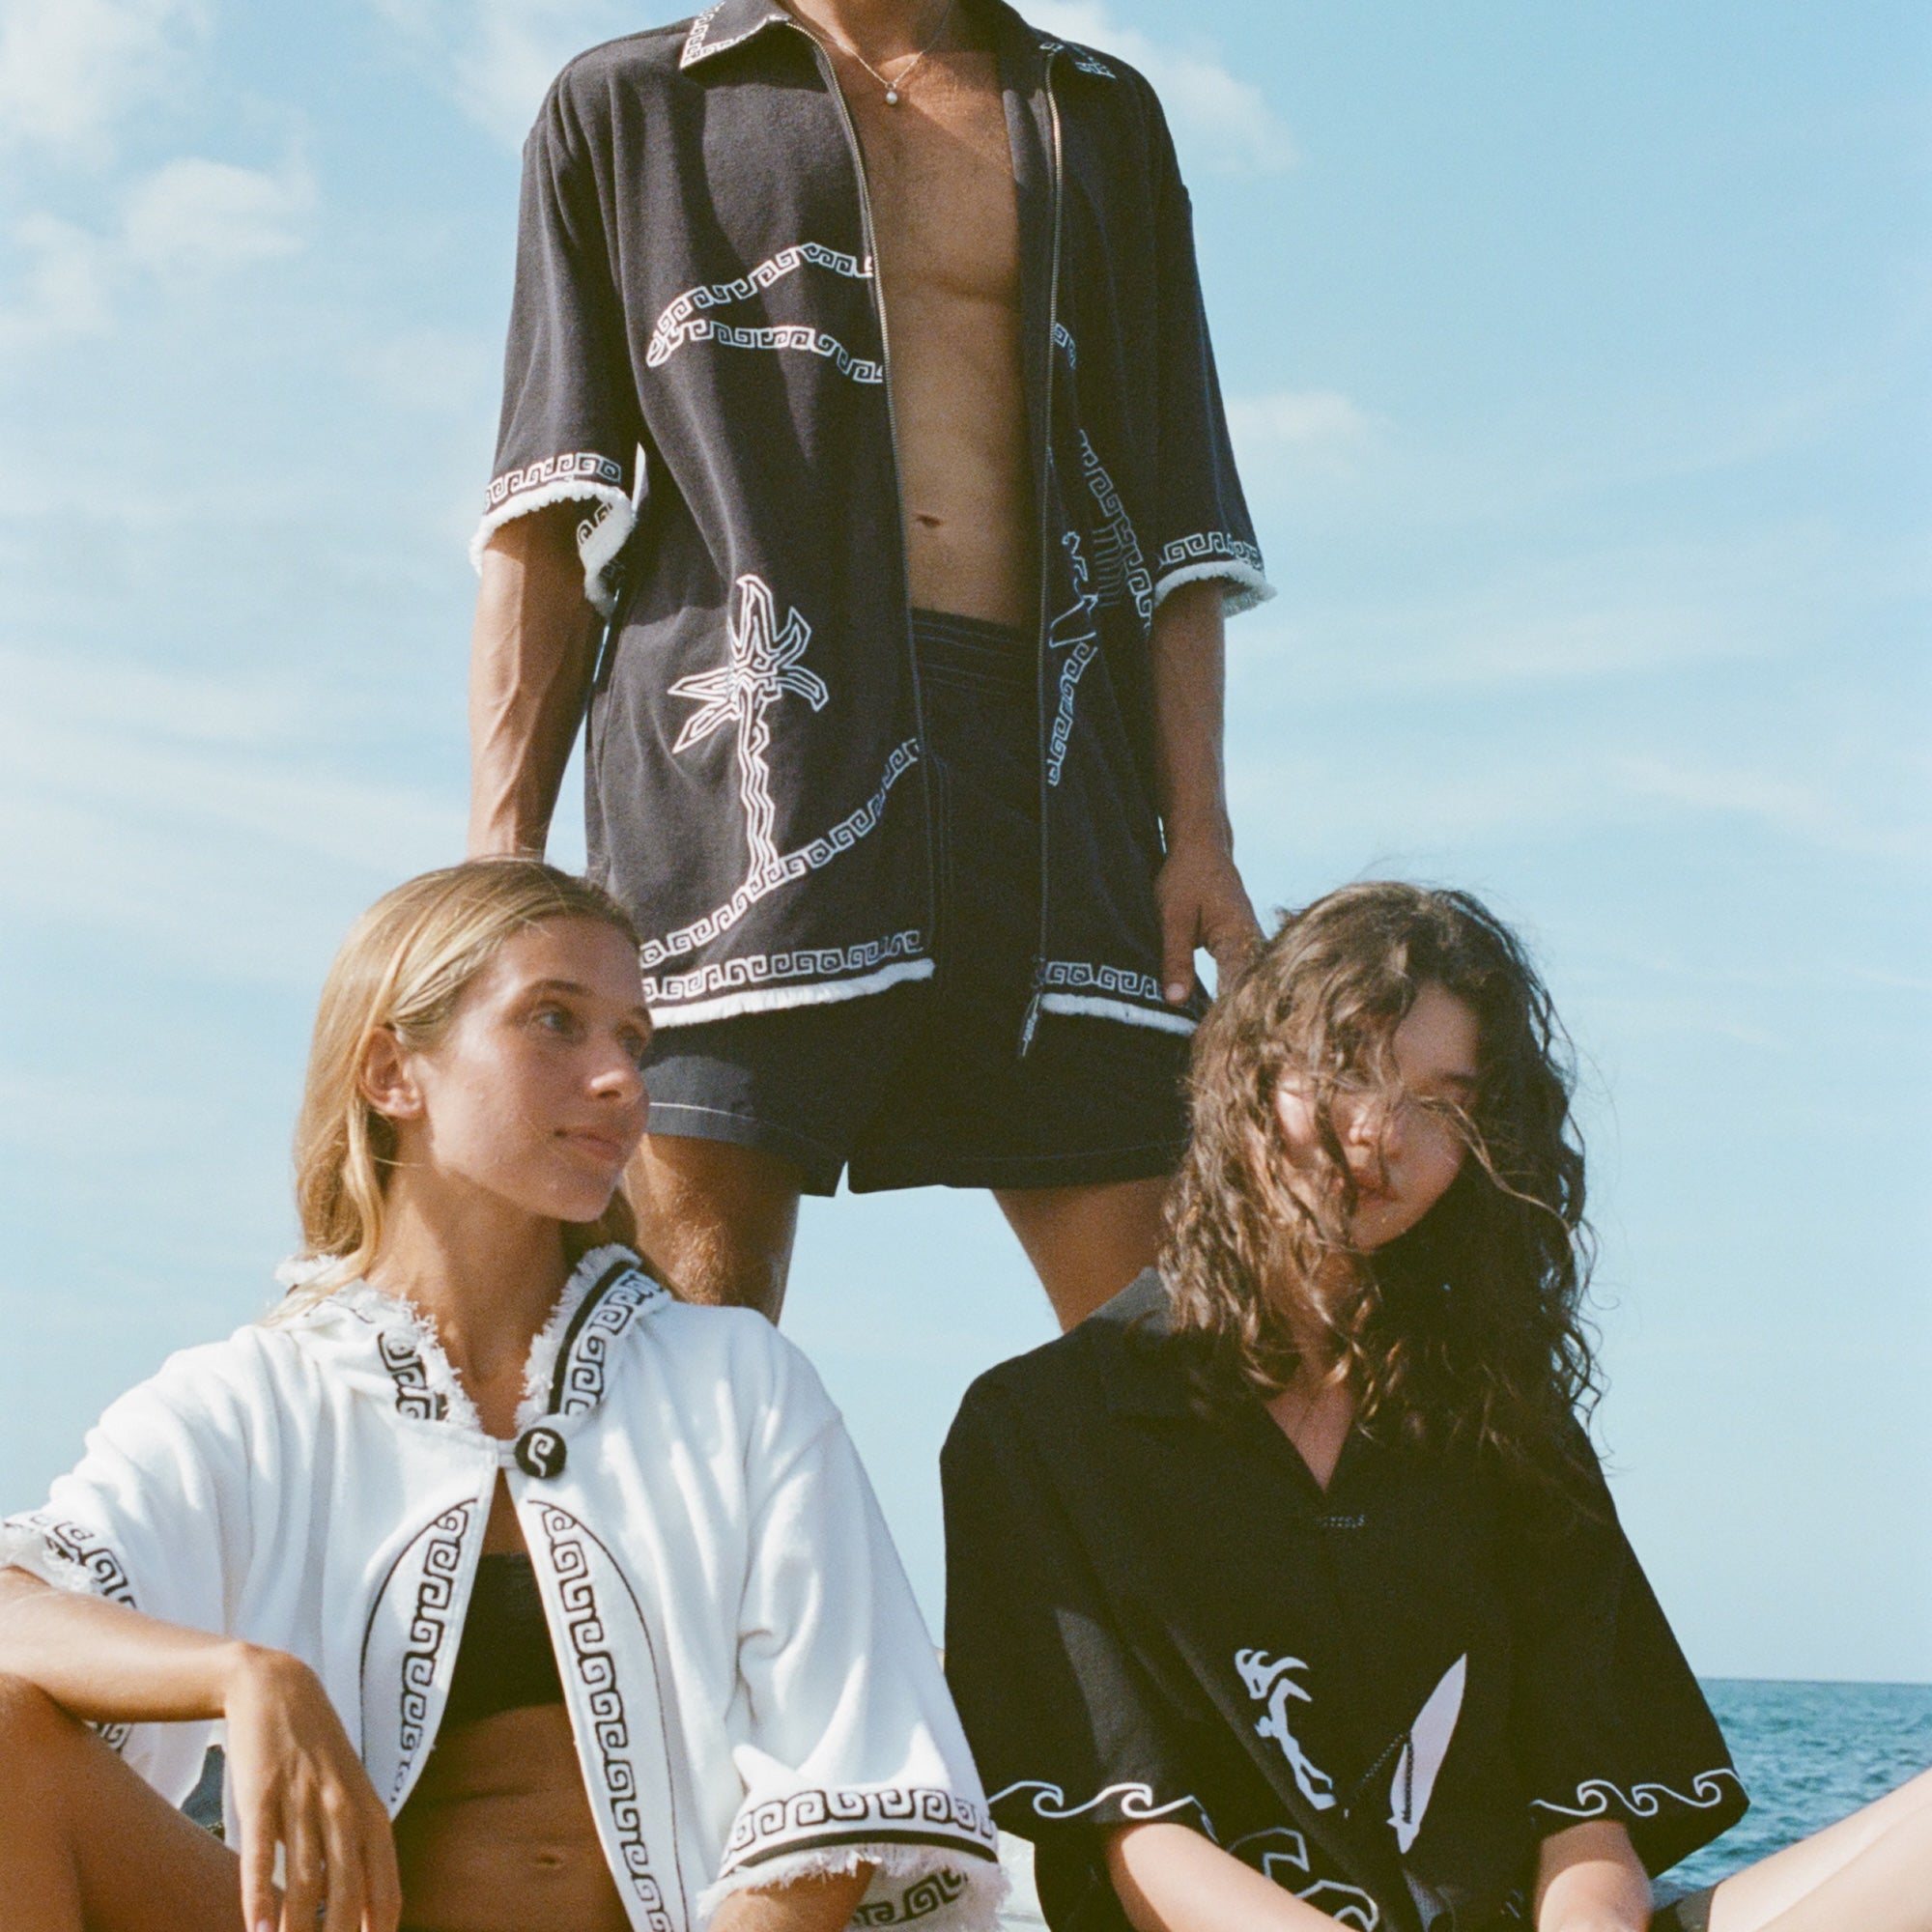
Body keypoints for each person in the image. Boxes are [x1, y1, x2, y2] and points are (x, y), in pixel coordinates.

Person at [0, 860, 1001, 1932]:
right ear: (392, 1070)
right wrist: (246, 1675)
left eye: (632, 1039)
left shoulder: (737, 1382)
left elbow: (834, 1784)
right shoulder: (250, 1400)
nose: (618, 1077)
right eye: (555, 1021)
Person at [466, 0, 1272, 1325]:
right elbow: (541, 513)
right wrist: (502, 855)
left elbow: (1177, 506)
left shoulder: (1096, 114)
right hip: (734, 767)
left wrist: (1202, 828)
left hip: (1057, 766)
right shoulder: (627, 105)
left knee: (1171, 1359)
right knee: (693, 1347)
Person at [940, 882, 1932, 1932]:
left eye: (1441, 1102)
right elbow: (1137, 1844)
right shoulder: (1040, 1426)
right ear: (1247, 1072)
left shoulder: (1503, 1414)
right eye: (1346, 1069)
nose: (1379, 1137)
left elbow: (1583, 1808)